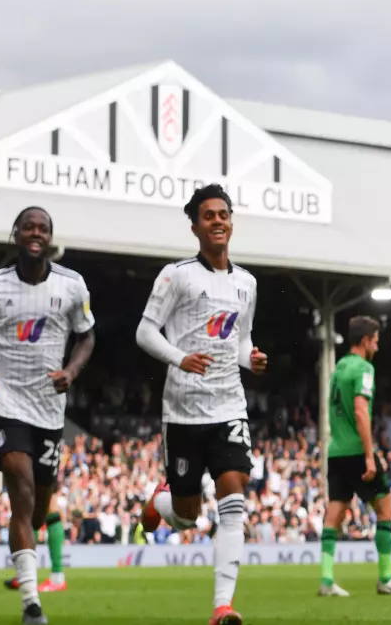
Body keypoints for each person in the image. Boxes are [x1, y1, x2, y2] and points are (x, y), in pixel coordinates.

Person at [136, 184, 267, 625]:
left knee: (234, 496)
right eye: (208, 215)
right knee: (188, 516)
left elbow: (241, 341)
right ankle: (162, 503)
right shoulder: (176, 276)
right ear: (194, 226)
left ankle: (222, 607)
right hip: (184, 411)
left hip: (229, 406)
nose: (217, 221)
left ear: (232, 222)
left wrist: (252, 358)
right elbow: (146, 332)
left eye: (223, 214)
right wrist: (180, 357)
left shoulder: (247, 283)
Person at [0, 207, 96, 624]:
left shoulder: (72, 285)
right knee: (21, 488)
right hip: (9, 404)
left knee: (39, 503)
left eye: (43, 228)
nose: (35, 233)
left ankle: (28, 557)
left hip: (49, 409)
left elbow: (86, 337)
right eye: (28, 227)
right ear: (15, 234)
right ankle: (31, 602)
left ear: (50, 237)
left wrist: (71, 371)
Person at [317, 316, 391, 597]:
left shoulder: (337, 369)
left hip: (335, 451)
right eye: (375, 340)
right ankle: (385, 577)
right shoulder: (364, 369)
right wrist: (370, 456)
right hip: (357, 451)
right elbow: (361, 411)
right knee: (385, 511)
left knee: (334, 513)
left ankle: (326, 581)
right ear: (364, 341)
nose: (377, 346)